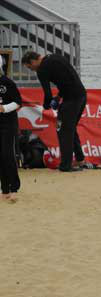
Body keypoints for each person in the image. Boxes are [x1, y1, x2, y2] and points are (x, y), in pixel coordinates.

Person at [21, 51, 87, 172]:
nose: (32, 70)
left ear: (33, 61)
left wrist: (46, 106)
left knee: (63, 130)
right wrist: (58, 98)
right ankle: (80, 159)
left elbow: (47, 93)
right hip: (81, 95)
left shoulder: (42, 69)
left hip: (71, 99)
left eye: (30, 67)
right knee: (70, 128)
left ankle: (66, 166)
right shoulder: (56, 57)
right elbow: (69, 79)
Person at [0, 55, 22, 202]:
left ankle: (14, 188)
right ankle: (5, 189)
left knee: (8, 155)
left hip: (8, 124)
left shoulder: (8, 83)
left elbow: (18, 102)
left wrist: (4, 108)